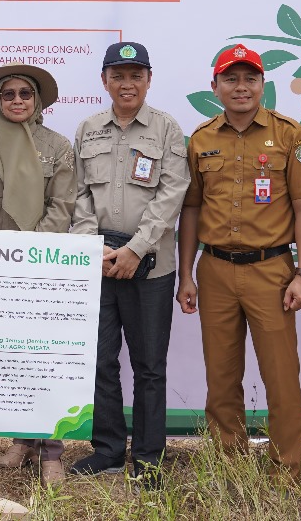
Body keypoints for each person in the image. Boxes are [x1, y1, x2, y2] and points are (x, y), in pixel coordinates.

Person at [175, 44, 301, 480]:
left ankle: (285, 469)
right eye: (231, 79)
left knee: (281, 376)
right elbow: (191, 210)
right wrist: (186, 273)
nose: (241, 87)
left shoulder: (290, 134)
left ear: (263, 84)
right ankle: (230, 465)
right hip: (215, 269)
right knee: (221, 377)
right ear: (215, 86)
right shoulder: (201, 139)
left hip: (272, 270)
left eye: (250, 78)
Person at [67, 41, 189, 486]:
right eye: (118, 75)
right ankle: (108, 450)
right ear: (104, 81)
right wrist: (89, 247)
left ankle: (150, 458)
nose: (127, 83)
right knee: (100, 362)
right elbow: (77, 193)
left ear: (149, 80)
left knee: (149, 366)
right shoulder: (88, 129)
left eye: (136, 75)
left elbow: (171, 193)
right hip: (99, 265)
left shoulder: (166, 129)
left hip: (150, 266)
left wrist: (136, 248)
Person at [0, 62, 75, 484]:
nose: (16, 101)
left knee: (46, 359)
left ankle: (52, 451)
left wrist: (32, 253)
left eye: (24, 94)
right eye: (7, 95)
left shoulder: (59, 147)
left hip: (46, 269)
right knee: (12, 358)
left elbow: (63, 207)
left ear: (37, 100)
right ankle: (23, 439)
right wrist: (3, 253)